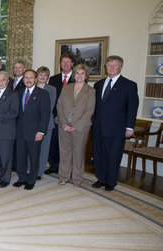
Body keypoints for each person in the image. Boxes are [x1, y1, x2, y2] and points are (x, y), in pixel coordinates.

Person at [92, 55, 138, 191]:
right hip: (99, 127)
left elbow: (132, 107)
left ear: (120, 67)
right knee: (99, 155)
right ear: (105, 67)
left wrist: (130, 127)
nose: (111, 68)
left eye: (115, 65)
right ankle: (100, 179)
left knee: (113, 156)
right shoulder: (98, 84)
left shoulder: (129, 85)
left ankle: (111, 181)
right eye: (109, 65)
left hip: (117, 129)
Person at [57, 64, 95, 188]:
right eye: (77, 73)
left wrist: (76, 126)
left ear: (86, 76)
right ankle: (63, 177)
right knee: (65, 152)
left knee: (78, 153)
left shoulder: (90, 91)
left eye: (82, 73)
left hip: (81, 127)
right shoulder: (66, 88)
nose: (79, 76)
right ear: (74, 75)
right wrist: (63, 123)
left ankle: (77, 179)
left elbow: (89, 111)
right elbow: (60, 106)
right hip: (64, 126)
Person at [14, 69, 50, 190]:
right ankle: (22, 178)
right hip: (19, 131)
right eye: (26, 78)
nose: (28, 80)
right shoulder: (18, 92)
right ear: (23, 79)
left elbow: (45, 115)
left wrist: (41, 132)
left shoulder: (43, 94)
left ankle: (31, 180)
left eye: (31, 77)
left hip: (35, 132)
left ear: (35, 79)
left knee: (34, 157)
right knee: (20, 157)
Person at [46, 54, 75, 175]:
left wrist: (65, 117)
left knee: (67, 145)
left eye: (68, 62)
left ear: (72, 64)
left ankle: (66, 168)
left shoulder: (77, 78)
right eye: (63, 62)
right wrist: (55, 116)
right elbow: (51, 99)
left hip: (70, 119)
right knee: (53, 143)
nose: (66, 64)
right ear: (60, 63)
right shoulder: (53, 79)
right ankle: (53, 166)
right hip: (55, 117)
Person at [33, 66, 57, 179]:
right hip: (32, 124)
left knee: (43, 150)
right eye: (40, 75)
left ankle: (39, 172)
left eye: (45, 75)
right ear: (37, 77)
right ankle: (31, 169)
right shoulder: (32, 87)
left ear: (47, 77)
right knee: (32, 149)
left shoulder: (52, 89)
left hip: (47, 124)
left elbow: (50, 107)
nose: (42, 77)